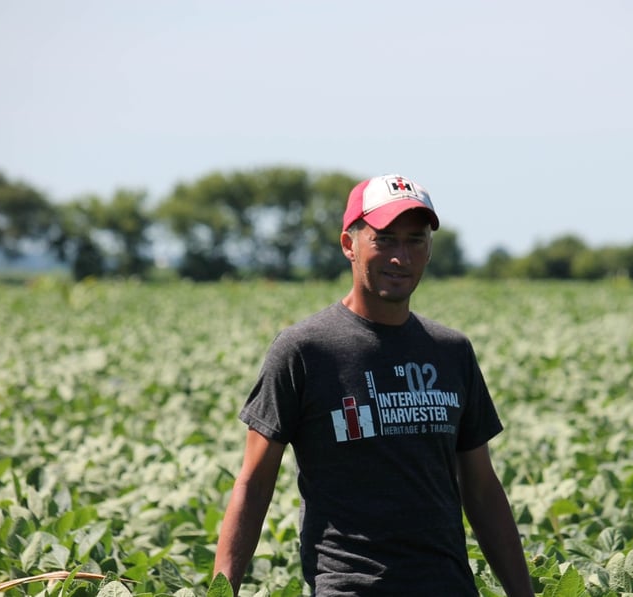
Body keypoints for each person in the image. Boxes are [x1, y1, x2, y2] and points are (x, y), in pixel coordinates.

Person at [214, 174, 534, 596]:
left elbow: (482, 488)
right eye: (384, 239)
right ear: (350, 244)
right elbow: (253, 485)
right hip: (352, 586)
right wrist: (222, 591)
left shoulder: (452, 351)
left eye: (415, 240)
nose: (401, 256)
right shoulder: (305, 350)